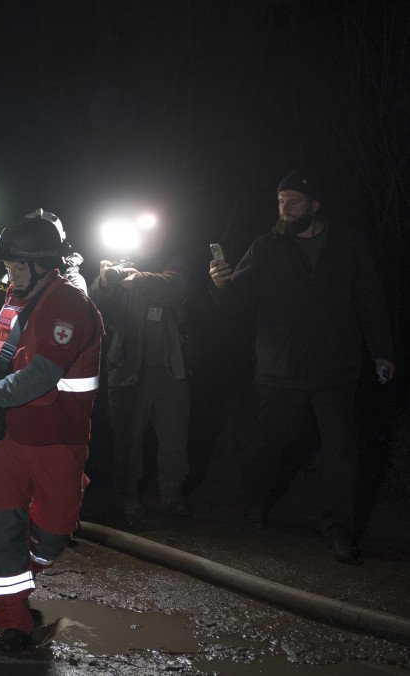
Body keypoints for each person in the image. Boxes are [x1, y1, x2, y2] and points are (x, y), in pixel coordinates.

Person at [209, 170, 395, 564]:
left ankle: (339, 531)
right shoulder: (266, 247)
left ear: (314, 205)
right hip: (280, 370)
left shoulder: (347, 245)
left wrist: (382, 351)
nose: (285, 208)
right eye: (280, 201)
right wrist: (221, 284)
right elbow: (235, 303)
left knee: (341, 452)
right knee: (268, 444)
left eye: (293, 201)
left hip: (336, 370)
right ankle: (254, 508)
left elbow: (370, 299)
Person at [0, 214, 103, 652]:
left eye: (19, 267)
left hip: (57, 440)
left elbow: (42, 373)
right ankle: (12, 624)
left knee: (53, 534)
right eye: (9, 266)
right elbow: (5, 354)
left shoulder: (69, 305)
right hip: (8, 438)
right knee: (2, 528)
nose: (11, 275)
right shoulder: (20, 296)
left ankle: (28, 571)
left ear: (44, 266)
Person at [89, 220, 191, 520]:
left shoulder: (174, 262)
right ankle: (127, 496)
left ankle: (172, 495)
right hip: (127, 368)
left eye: (153, 232)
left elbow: (175, 287)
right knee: (127, 441)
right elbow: (93, 304)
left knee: (175, 439)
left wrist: (141, 279)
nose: (147, 238)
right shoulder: (117, 268)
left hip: (171, 370)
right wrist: (106, 281)